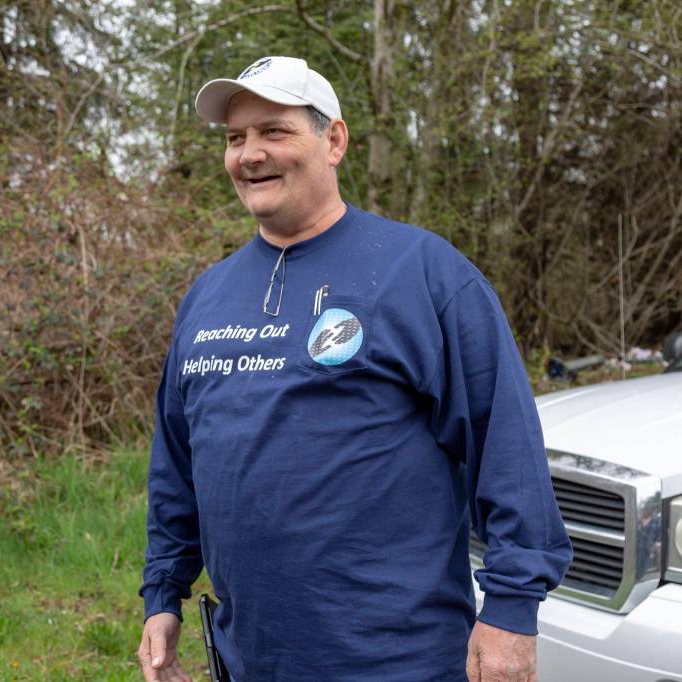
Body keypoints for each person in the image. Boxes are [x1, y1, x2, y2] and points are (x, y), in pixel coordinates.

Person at [136, 55, 572, 682]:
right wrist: (162, 594)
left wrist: (510, 610)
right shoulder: (207, 296)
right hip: (249, 657)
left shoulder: (423, 274)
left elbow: (507, 450)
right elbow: (177, 464)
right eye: (236, 138)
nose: (249, 154)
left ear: (333, 140)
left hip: (396, 661)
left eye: (274, 131)